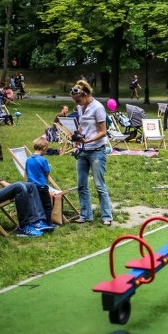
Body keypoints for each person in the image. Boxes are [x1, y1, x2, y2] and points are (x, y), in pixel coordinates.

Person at [69, 80, 113, 226]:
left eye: (79, 100)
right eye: (75, 101)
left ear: (86, 95)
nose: (77, 103)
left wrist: (88, 140)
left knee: (99, 185)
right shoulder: (81, 107)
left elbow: (103, 132)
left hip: (97, 151)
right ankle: (86, 215)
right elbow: (82, 127)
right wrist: (77, 142)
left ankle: (107, 216)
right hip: (83, 151)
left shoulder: (98, 108)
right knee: (81, 184)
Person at [26, 137, 54, 221]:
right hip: (41, 186)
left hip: (31, 186)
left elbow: (26, 172)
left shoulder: (28, 159)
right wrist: (48, 168)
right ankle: (48, 223)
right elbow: (47, 172)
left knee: (36, 204)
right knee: (47, 206)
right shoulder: (42, 159)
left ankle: (37, 220)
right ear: (44, 148)